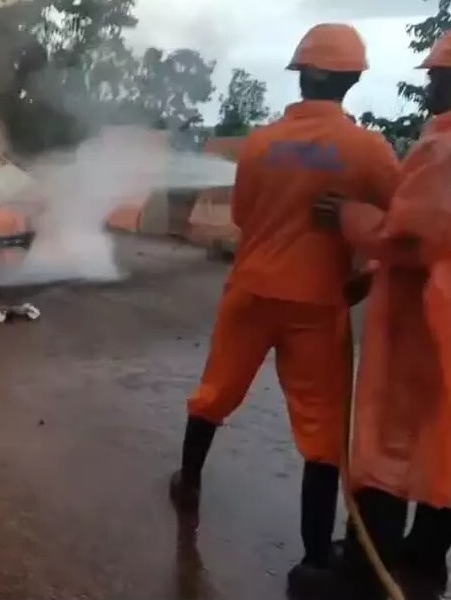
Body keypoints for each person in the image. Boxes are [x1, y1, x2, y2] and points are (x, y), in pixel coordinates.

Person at [167, 22, 401, 595]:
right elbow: (399, 225)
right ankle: (314, 561)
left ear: (302, 77)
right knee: (321, 431)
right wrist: (363, 270)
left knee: (217, 389)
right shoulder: (367, 150)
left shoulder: (260, 143)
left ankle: (188, 480)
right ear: (351, 79)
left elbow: (245, 217)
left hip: (250, 290)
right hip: (318, 301)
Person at [315, 30, 451, 599]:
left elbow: (412, 239)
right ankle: (423, 560)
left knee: (390, 436)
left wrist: (351, 217)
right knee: (443, 437)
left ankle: (366, 571)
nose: (427, 86)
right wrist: (372, 273)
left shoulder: (444, 148)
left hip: (425, 322)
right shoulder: (380, 146)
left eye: (435, 75)